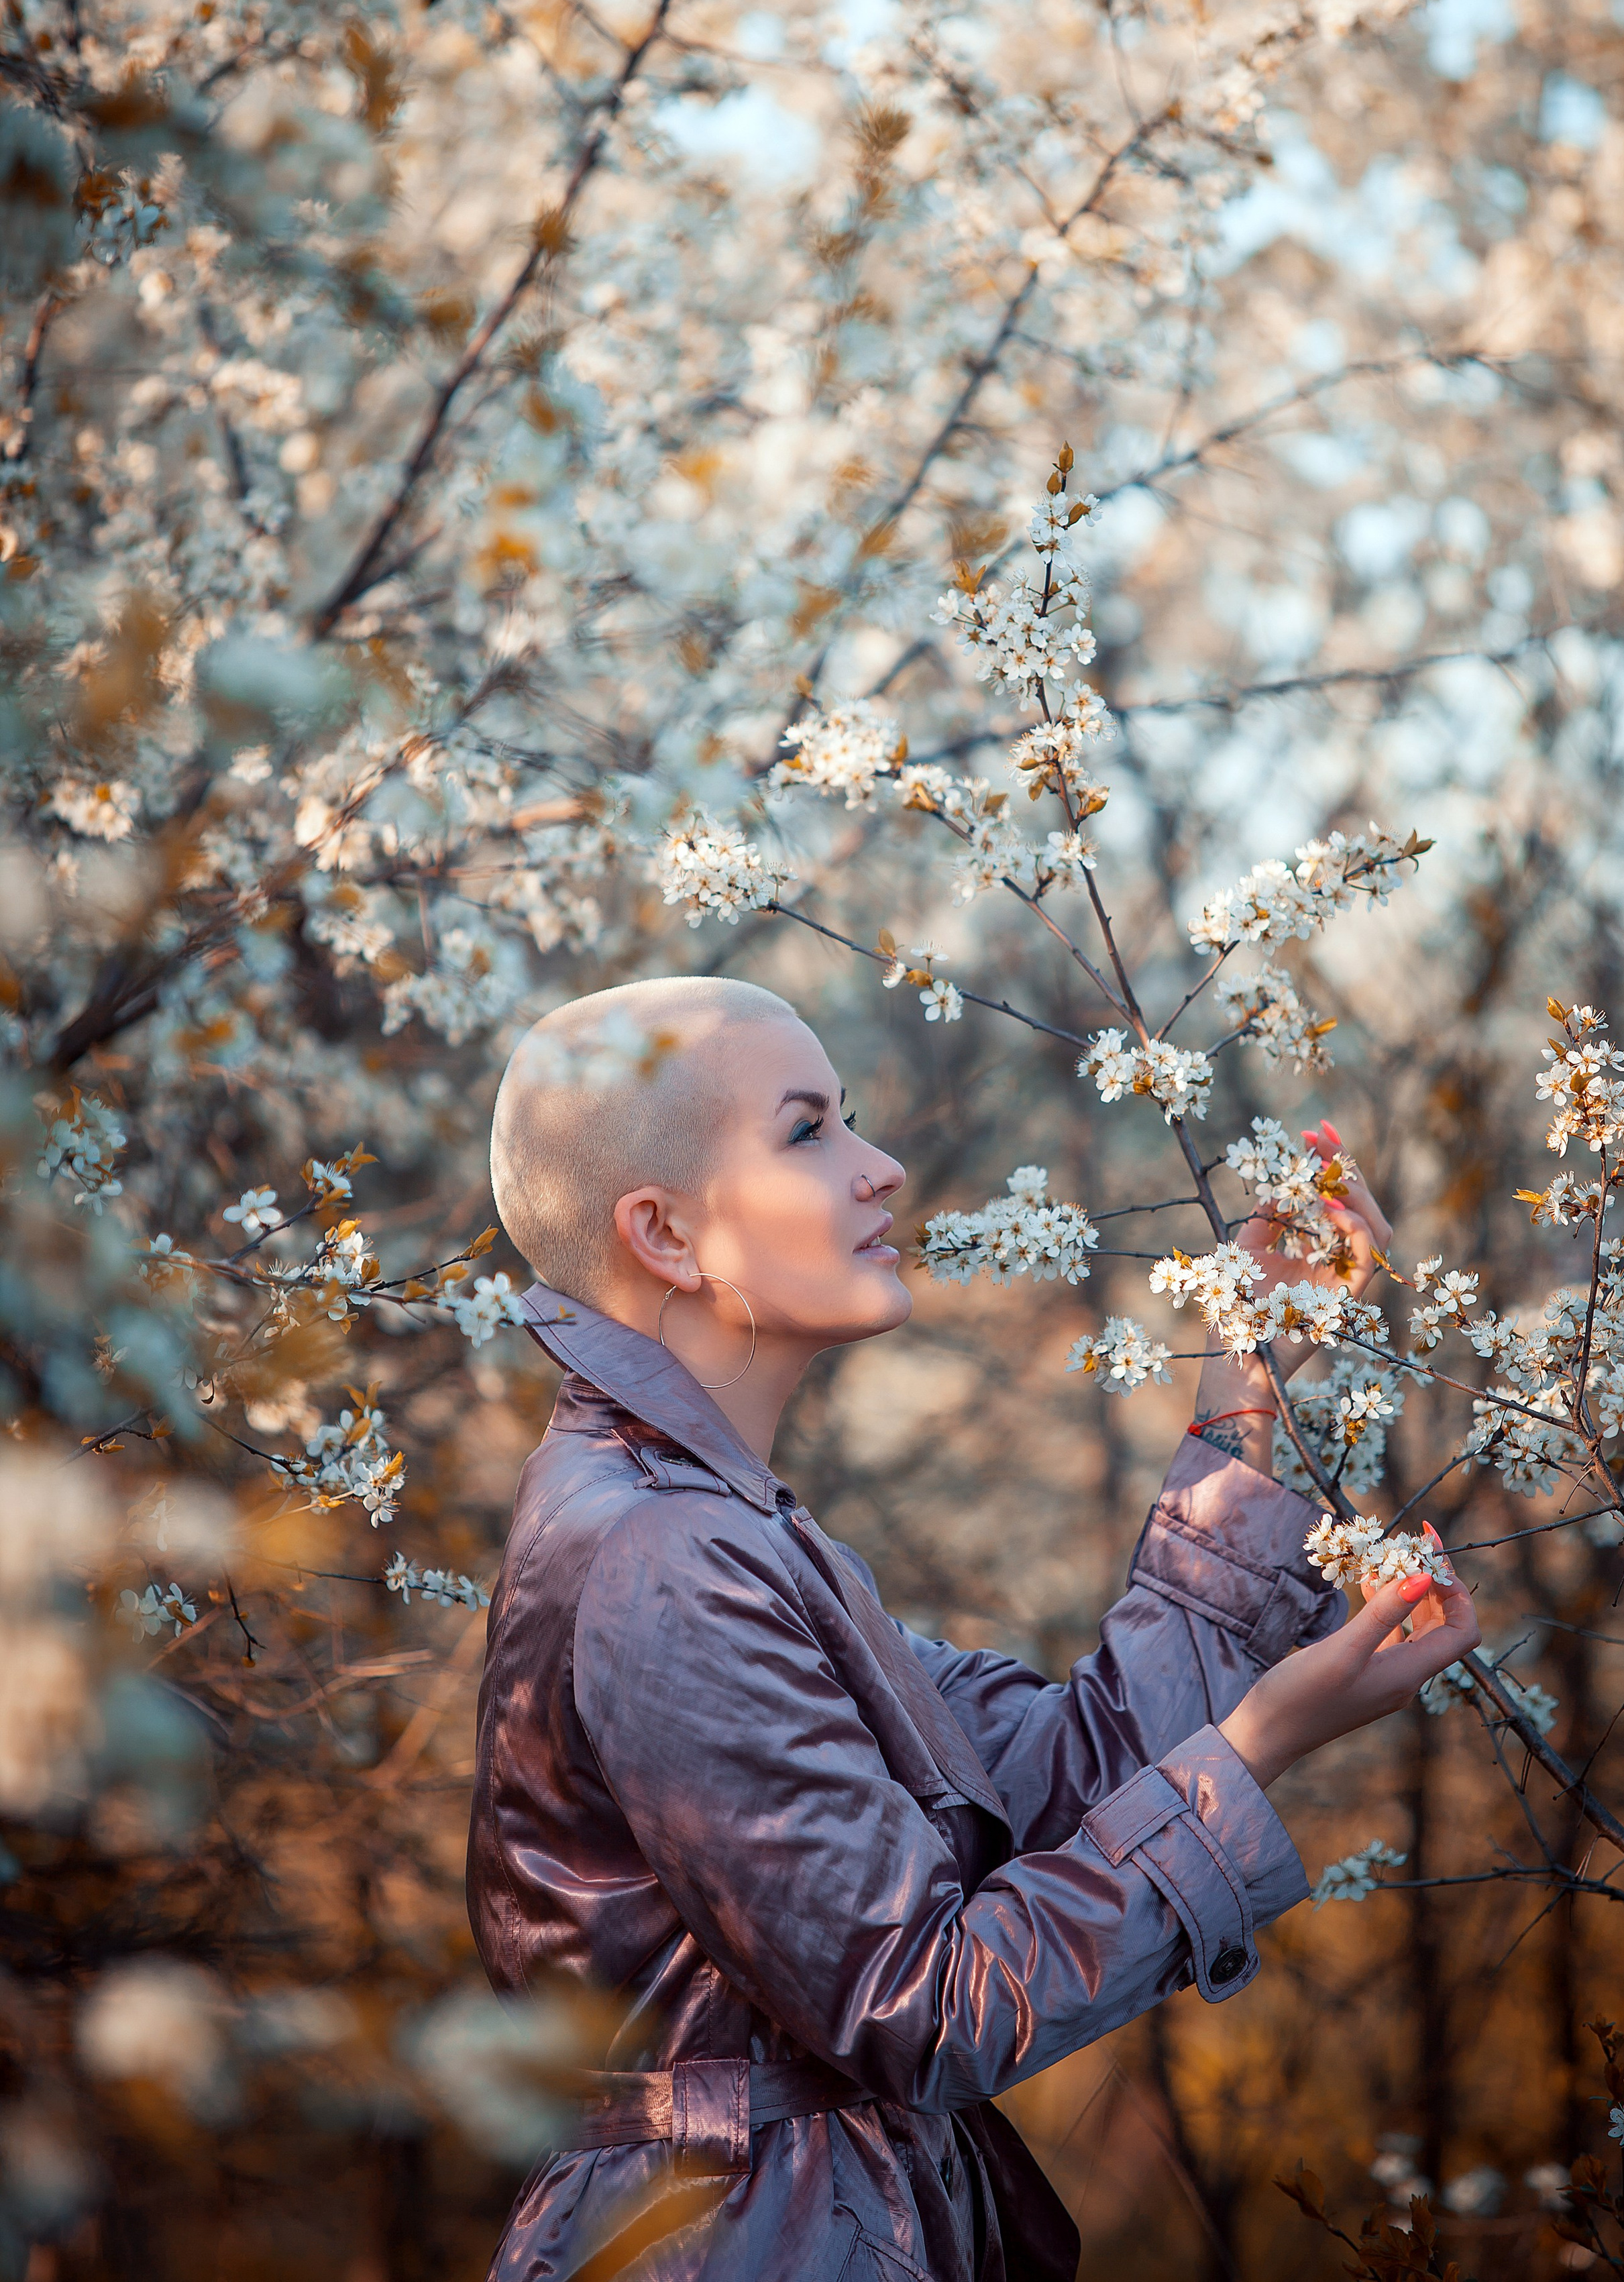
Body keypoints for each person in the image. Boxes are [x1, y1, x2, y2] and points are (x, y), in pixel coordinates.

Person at [468, 975, 1478, 2282]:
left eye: (851, 1121)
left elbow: (1060, 1775)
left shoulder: (716, 1524)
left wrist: (1255, 1368)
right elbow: (925, 2005)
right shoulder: (665, 1556)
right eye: (807, 1132)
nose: (879, 1168)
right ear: (665, 1234)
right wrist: (1259, 1746)